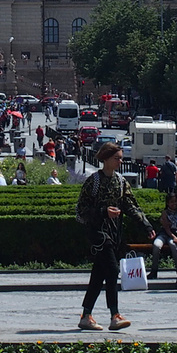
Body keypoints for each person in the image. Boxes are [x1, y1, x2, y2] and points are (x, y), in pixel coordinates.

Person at [75, 141, 157, 331]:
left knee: (99, 275)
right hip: (98, 234)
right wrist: (104, 211)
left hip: (114, 233)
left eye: (121, 158)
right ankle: (115, 315)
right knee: (112, 270)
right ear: (105, 159)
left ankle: (86, 316)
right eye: (117, 158)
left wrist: (145, 225)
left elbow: (130, 205)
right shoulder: (93, 182)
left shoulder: (120, 181)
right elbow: (81, 211)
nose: (120, 161)